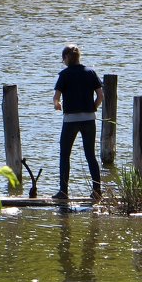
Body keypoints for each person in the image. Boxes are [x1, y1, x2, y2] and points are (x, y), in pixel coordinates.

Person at [52, 44, 104, 200]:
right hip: (89, 119)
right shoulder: (90, 72)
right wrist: (92, 107)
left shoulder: (65, 75)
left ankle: (63, 192)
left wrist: (57, 105)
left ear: (67, 58)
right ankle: (97, 191)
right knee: (90, 155)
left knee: (65, 154)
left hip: (70, 120)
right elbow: (101, 96)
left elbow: (56, 98)